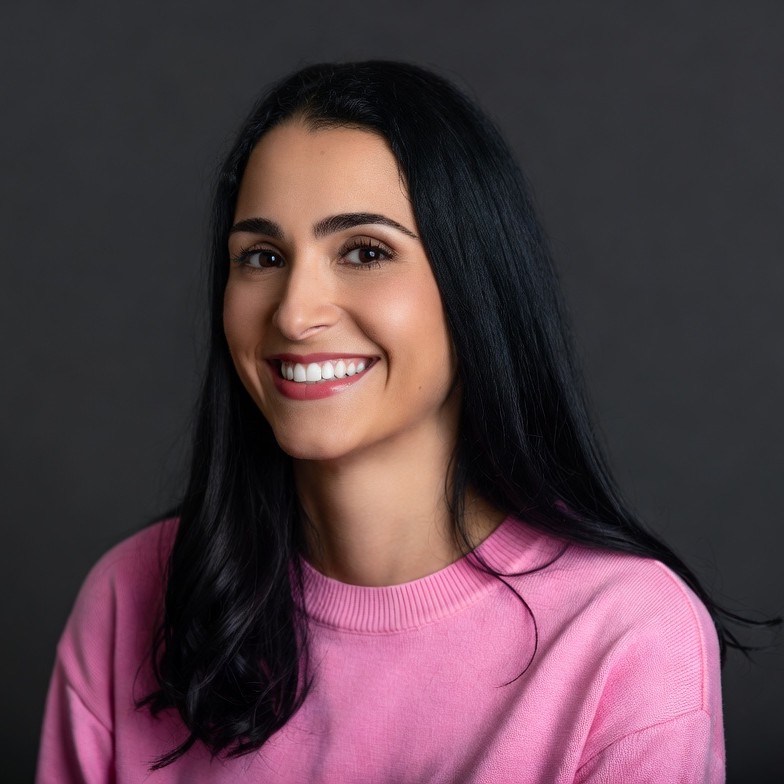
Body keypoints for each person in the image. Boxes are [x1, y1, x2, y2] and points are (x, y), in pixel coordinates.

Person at [37, 60, 733, 782]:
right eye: (262, 256)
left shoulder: (626, 636)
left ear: (475, 287)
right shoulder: (128, 598)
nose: (296, 312)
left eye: (365, 252)